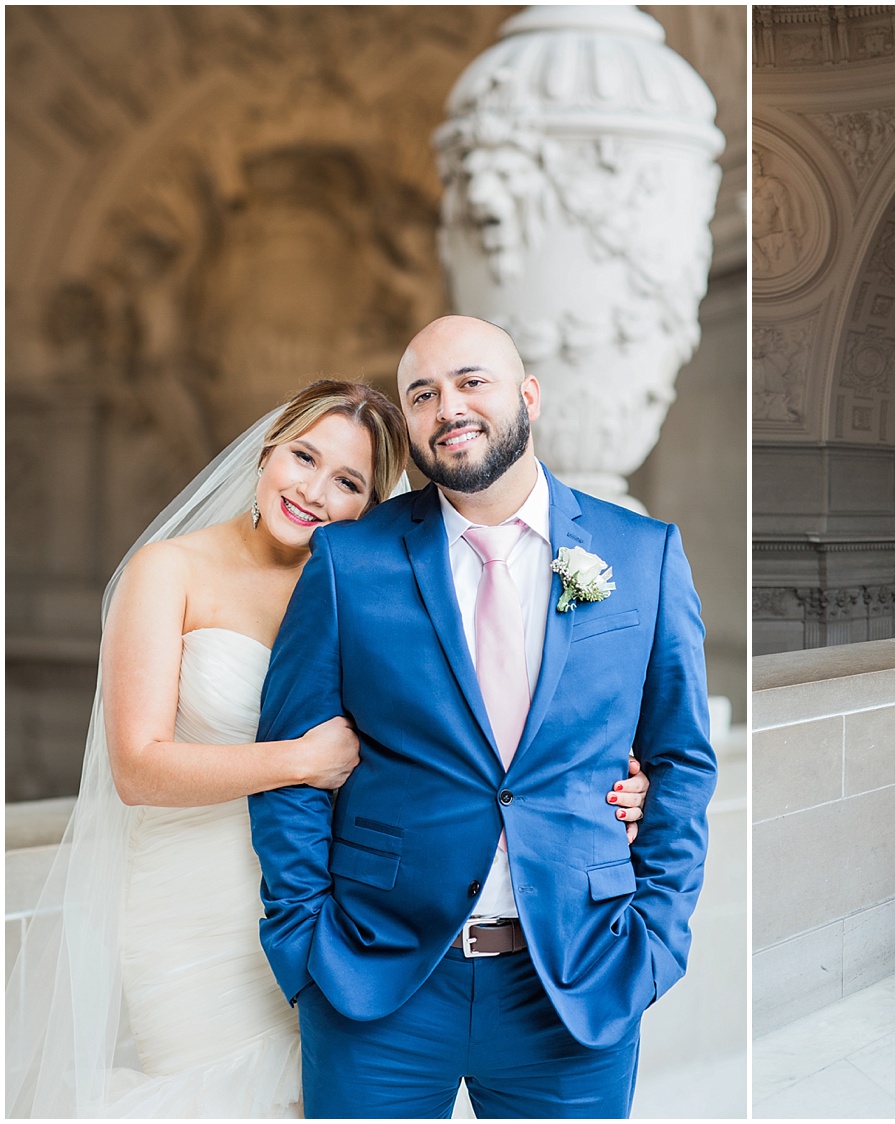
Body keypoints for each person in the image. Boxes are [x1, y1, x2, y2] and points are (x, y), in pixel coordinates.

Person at [5, 379, 650, 1118]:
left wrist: (612, 782)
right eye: (303, 457)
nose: (313, 490)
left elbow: (470, 733)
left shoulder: (371, 585)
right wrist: (299, 761)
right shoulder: (170, 572)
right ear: (267, 454)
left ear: (370, 507)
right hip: (195, 902)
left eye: (346, 482)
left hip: (350, 916)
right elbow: (137, 768)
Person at [248, 315, 717, 1118]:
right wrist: (306, 943)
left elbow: (681, 758)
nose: (447, 407)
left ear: (528, 396)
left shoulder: (644, 555)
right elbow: (290, 760)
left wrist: (657, 937)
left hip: (576, 979)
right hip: (379, 983)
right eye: (422, 394)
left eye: (472, 382)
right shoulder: (350, 561)